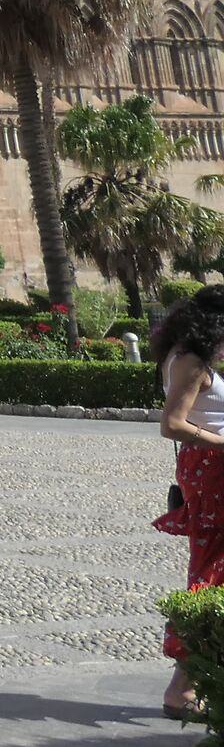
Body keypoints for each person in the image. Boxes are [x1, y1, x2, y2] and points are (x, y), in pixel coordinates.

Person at [156, 285, 224, 719]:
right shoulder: (193, 363)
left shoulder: (190, 357)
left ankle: (192, 682)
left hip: (211, 465)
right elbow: (173, 424)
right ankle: (182, 688)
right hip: (214, 468)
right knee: (213, 570)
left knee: (214, 565)